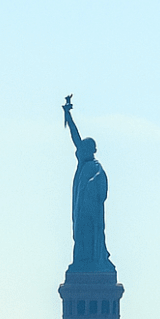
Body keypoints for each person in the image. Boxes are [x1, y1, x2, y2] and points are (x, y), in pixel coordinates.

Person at [62, 96, 114, 273]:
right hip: (80, 210)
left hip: (91, 214)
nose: (80, 150)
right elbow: (75, 137)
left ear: (92, 150)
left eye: (84, 148)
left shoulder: (96, 168)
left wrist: (91, 187)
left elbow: (101, 187)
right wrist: (67, 115)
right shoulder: (83, 163)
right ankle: (83, 261)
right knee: (79, 236)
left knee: (92, 237)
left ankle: (95, 260)